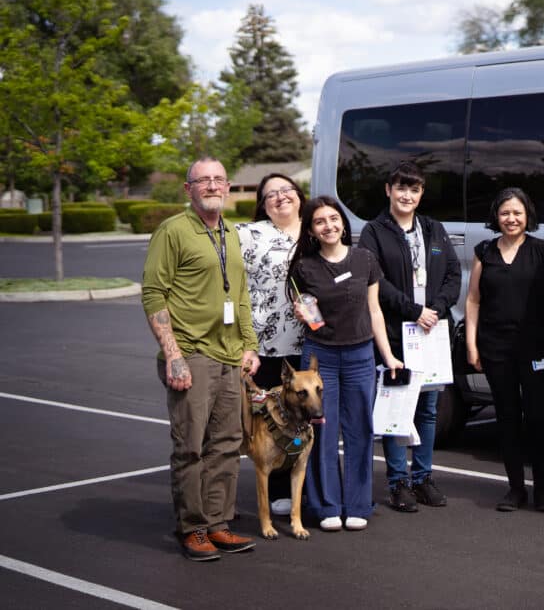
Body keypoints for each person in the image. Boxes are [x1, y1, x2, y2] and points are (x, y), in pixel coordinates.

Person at [142, 156, 260, 561]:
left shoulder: (230, 232)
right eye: (203, 180)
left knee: (227, 446)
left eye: (218, 180)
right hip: (191, 354)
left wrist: (250, 344)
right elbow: (154, 294)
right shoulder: (173, 231)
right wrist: (173, 355)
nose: (212, 186)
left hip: (229, 356)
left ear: (228, 187)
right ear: (188, 189)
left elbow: (240, 294)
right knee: (190, 448)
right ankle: (191, 528)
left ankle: (218, 523)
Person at [288, 196, 403, 532]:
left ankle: (357, 504)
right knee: (322, 429)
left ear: (343, 223)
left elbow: (375, 311)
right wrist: (303, 315)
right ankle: (326, 506)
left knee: (360, 431)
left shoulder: (365, 259)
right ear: (311, 229)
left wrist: (388, 355)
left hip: (359, 356)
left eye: (334, 219)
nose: (329, 226)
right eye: (320, 221)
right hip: (320, 358)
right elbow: (310, 316)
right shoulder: (304, 268)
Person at [357, 162, 460, 512]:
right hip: (395, 332)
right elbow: (377, 282)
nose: (407, 195)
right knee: (397, 408)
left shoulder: (433, 229)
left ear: (421, 194)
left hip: (429, 331)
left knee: (428, 410)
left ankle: (423, 478)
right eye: (401, 188)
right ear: (389, 190)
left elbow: (452, 274)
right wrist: (412, 310)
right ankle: (398, 482)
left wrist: (437, 308)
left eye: (414, 189)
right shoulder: (374, 231)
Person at [465, 188, 544, 512]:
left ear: (527, 215)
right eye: (505, 213)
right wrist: (471, 344)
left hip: (535, 350)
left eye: (517, 213)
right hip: (495, 349)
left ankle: (543, 490)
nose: (511, 219)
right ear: (496, 216)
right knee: (506, 418)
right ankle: (515, 489)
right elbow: (473, 299)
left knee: (537, 419)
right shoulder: (484, 252)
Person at [236, 172, 307, 517]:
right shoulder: (250, 234)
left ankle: (309, 491)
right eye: (270, 195)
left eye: (286, 190)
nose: (280, 197)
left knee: (306, 419)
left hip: (311, 342)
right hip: (265, 345)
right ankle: (278, 490)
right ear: (262, 205)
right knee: (273, 422)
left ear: (299, 194)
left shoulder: (317, 226)